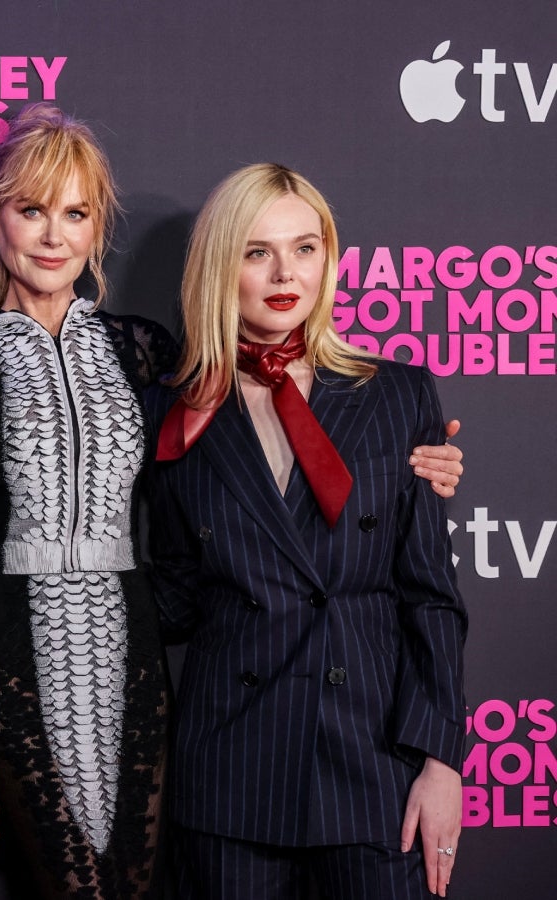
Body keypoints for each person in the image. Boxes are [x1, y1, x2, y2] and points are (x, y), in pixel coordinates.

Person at [0, 106, 463, 899]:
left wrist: (424, 467)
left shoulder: (170, 363)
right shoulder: (138, 391)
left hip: (301, 736)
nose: (284, 274)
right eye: (32, 210)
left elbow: (425, 592)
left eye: (76, 213)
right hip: (135, 720)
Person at [147, 163, 467, 900]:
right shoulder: (173, 414)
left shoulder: (396, 395)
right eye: (256, 252)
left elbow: (431, 597)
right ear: (219, 265)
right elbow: (173, 601)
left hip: (373, 765)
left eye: (305, 248)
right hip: (231, 772)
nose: (285, 273)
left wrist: (441, 760)